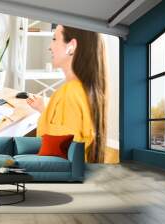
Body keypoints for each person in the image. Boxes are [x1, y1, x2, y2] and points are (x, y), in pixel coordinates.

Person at [27, 25, 107, 163]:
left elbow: (58, 161)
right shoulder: (85, 90)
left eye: (54, 39)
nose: (49, 47)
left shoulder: (69, 94)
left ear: (71, 46)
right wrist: (44, 110)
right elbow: (68, 135)